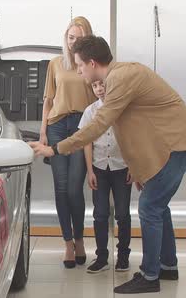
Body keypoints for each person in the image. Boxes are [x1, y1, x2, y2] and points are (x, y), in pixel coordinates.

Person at [29, 35, 186, 294]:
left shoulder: (120, 79)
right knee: (158, 204)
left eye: (79, 65)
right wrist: (142, 169)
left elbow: (99, 124)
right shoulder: (119, 77)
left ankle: (150, 275)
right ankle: (168, 265)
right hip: (176, 142)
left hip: (179, 143)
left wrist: (55, 149)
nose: (78, 71)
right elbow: (130, 131)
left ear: (91, 62)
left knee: (150, 207)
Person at [39, 16, 97, 269]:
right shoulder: (56, 63)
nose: (74, 42)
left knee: (75, 188)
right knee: (61, 189)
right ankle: (68, 243)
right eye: (70, 37)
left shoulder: (90, 65)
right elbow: (48, 101)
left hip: (81, 127)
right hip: (57, 126)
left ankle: (80, 239)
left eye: (79, 38)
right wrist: (43, 132)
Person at [79, 80, 132, 274]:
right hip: (99, 167)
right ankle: (102, 257)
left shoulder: (124, 108)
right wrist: (90, 171)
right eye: (95, 86)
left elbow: (131, 138)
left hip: (121, 167)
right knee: (100, 214)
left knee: (123, 214)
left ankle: (124, 256)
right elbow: (86, 142)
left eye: (102, 84)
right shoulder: (90, 111)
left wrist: (133, 166)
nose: (99, 89)